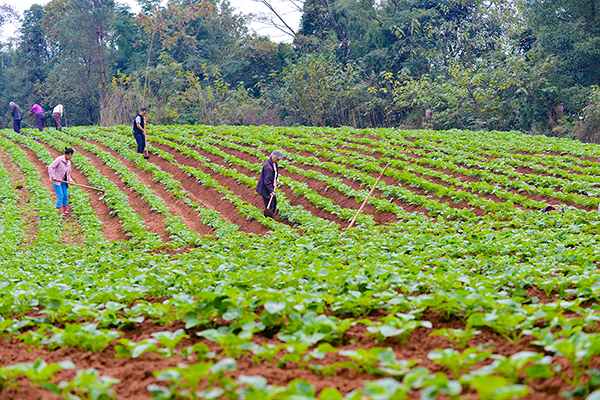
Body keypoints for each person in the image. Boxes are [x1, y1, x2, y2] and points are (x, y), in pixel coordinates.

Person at [48, 147, 75, 216]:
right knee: (60, 196)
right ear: (70, 154)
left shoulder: (68, 162)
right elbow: (50, 167)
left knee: (65, 196)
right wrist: (53, 176)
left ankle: (65, 211)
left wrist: (71, 181)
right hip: (57, 180)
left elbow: (68, 174)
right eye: (72, 155)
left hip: (64, 181)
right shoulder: (59, 160)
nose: (72, 156)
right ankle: (59, 212)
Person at [256, 150, 282, 218]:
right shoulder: (268, 167)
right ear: (274, 157)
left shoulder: (274, 163)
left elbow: (275, 172)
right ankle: (269, 220)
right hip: (265, 189)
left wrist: (276, 179)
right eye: (277, 159)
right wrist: (271, 191)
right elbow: (267, 181)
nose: (278, 161)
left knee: (274, 203)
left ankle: (270, 218)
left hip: (269, 186)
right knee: (270, 205)